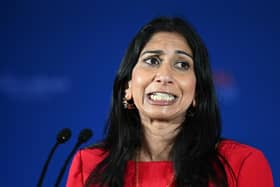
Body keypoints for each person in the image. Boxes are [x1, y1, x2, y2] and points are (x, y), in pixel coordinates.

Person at [66, 17, 274, 187]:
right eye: (152, 61)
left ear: (197, 94)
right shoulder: (89, 165)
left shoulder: (242, 165)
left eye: (182, 64)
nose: (164, 75)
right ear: (128, 86)